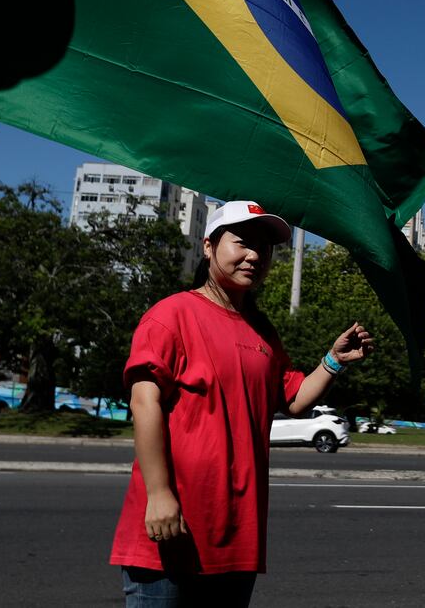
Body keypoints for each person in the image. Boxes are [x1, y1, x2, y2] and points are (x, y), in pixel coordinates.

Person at [110, 199, 374, 607]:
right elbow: (145, 404)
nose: (254, 256)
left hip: (237, 535)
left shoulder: (262, 331)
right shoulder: (171, 314)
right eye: (242, 243)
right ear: (209, 247)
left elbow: (295, 398)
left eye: (264, 248)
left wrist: (334, 361)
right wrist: (159, 494)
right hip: (170, 529)